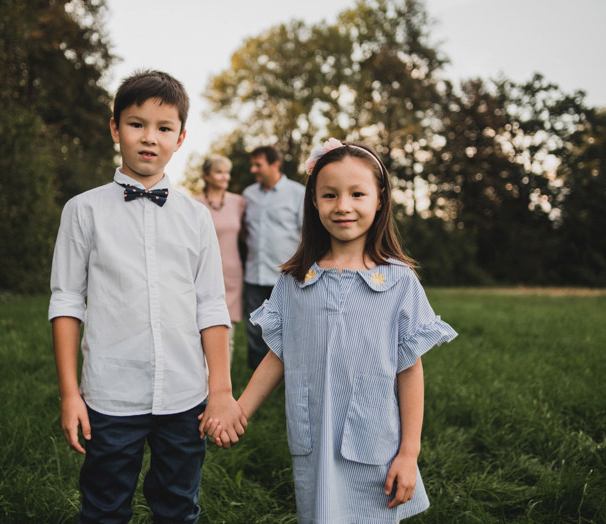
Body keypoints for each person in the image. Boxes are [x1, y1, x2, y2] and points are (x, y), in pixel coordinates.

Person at [48, 69, 246, 524]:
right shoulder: (83, 210)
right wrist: (70, 393)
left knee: (178, 507)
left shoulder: (196, 218)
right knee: (103, 508)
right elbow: (65, 301)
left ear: (180, 138)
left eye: (164, 128)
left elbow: (212, 306)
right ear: (115, 128)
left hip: (185, 395)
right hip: (110, 395)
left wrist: (220, 389)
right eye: (136, 124)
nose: (149, 138)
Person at [235, 139, 457, 522]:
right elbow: (278, 355)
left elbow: (410, 370)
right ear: (314, 201)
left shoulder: (399, 282)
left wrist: (409, 453)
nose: (343, 206)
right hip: (314, 441)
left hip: (376, 447)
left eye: (357, 193)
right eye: (329, 195)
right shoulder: (294, 281)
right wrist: (238, 411)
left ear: (380, 199)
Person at [242, 145, 304, 369]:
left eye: (258, 164)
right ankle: (256, 375)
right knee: (255, 328)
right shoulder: (248, 195)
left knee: (290, 328)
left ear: (275, 165)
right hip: (254, 273)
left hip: (286, 275)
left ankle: (290, 373)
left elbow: (306, 234)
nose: (253, 169)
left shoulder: (298, 193)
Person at [195, 154, 246, 358]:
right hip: (202, 272)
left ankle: (223, 385)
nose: (225, 177)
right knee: (200, 329)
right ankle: (200, 383)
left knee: (227, 332)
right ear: (206, 176)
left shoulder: (238, 202)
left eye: (227, 172)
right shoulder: (195, 204)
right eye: (219, 172)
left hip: (232, 274)